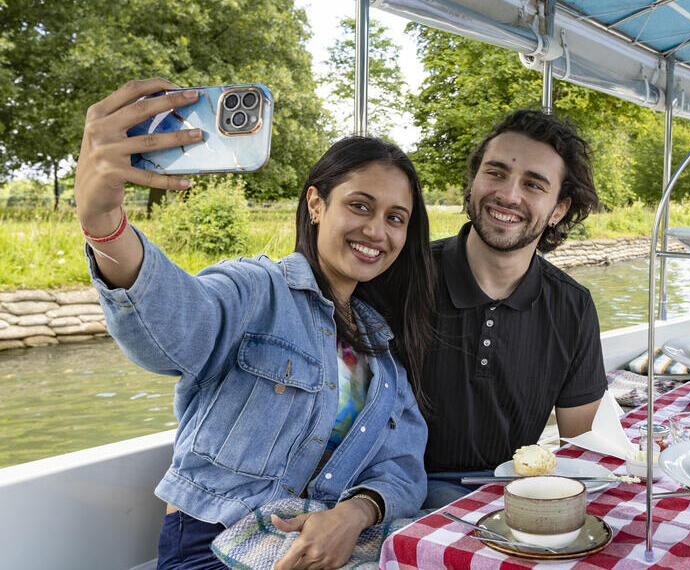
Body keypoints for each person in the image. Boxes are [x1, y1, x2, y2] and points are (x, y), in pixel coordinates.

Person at [74, 79, 434, 570]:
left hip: (318, 552)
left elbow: (404, 468)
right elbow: (175, 323)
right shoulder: (256, 289)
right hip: (210, 547)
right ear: (315, 204)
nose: (377, 230)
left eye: (396, 218)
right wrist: (104, 224)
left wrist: (353, 515)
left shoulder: (382, 347)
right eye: (360, 205)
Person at [421, 110, 607, 508]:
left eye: (534, 184)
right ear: (473, 182)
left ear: (558, 209)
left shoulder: (573, 307)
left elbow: (581, 451)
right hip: (402, 489)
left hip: (514, 496)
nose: (509, 195)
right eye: (496, 173)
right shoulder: (409, 277)